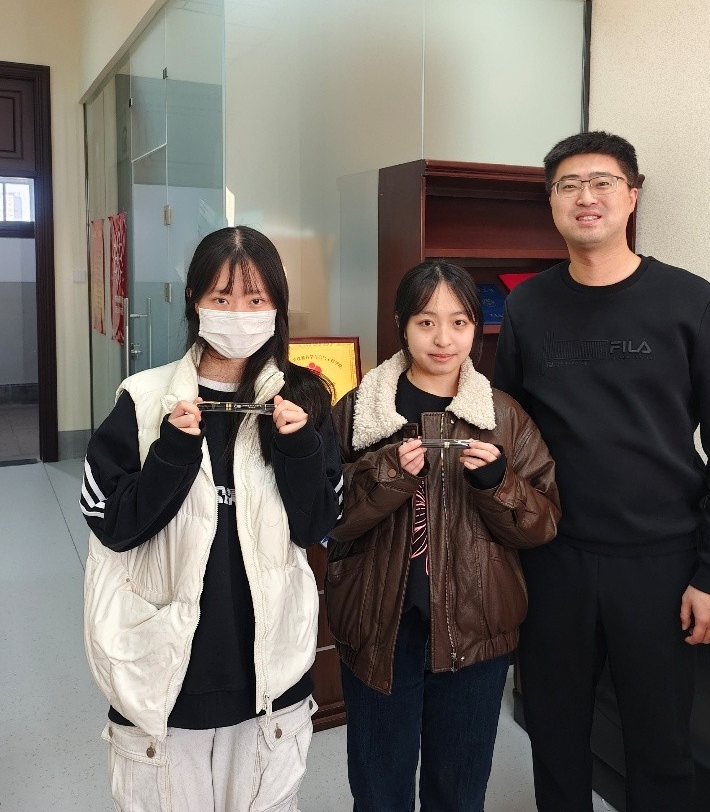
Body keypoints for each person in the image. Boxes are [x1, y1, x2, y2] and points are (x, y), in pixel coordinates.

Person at [493, 131, 710, 811]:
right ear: (551, 202)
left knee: (659, 745)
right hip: (553, 559)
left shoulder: (690, 300)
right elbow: (508, 430)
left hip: (661, 564)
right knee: (553, 732)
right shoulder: (527, 306)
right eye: (568, 185)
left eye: (602, 182)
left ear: (631, 196)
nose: (585, 197)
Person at [80, 226, 342, 812]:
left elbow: (318, 527)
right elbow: (112, 524)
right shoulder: (143, 400)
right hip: (167, 680)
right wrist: (172, 452)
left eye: (255, 299)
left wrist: (299, 449)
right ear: (194, 301)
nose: (239, 315)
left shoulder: (301, 401)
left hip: (270, 679)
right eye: (222, 298)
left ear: (277, 307)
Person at [327, 259, 561, 812]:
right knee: (379, 792)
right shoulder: (361, 410)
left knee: (458, 792)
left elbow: (543, 523)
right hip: (377, 628)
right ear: (401, 325)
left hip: (477, 631)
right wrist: (386, 475)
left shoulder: (504, 417)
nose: (443, 339)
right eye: (426, 322)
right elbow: (325, 518)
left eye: (459, 323)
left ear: (476, 328)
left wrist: (498, 483)